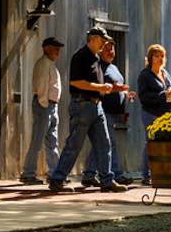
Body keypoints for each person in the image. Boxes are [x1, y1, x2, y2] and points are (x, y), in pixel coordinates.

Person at [47, 25, 130, 193]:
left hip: (96, 105)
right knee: (74, 145)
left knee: (104, 143)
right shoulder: (80, 56)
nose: (104, 44)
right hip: (82, 105)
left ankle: (107, 180)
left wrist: (111, 89)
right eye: (102, 40)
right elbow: (75, 82)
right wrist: (100, 86)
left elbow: (96, 85)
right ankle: (57, 180)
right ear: (92, 39)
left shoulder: (96, 58)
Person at [81, 37, 135, 186]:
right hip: (102, 110)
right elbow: (99, 88)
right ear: (100, 50)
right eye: (106, 48)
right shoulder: (97, 66)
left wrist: (126, 95)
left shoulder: (114, 68)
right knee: (109, 142)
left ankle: (89, 174)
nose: (110, 51)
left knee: (101, 143)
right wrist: (114, 89)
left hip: (115, 112)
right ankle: (117, 174)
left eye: (112, 48)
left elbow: (119, 87)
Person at [20, 36, 64, 185]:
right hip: (45, 105)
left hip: (51, 106)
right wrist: (44, 105)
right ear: (46, 48)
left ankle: (55, 173)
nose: (57, 51)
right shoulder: (43, 64)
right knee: (38, 140)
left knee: (52, 141)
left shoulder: (50, 64)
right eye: (54, 47)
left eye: (58, 48)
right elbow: (41, 87)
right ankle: (28, 173)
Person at [137, 42, 171, 185]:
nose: (160, 59)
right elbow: (143, 97)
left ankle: (161, 173)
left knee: (164, 143)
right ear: (150, 58)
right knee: (151, 142)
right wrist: (162, 95)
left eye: (162, 56)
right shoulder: (145, 75)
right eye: (156, 56)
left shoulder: (165, 74)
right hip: (150, 113)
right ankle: (145, 175)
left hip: (165, 114)